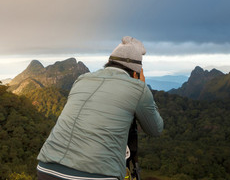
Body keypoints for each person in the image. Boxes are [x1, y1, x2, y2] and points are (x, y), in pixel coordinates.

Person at [37, 36, 164, 180]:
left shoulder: (82, 79)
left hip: (46, 168)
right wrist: (144, 87)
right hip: (96, 175)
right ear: (135, 73)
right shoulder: (138, 87)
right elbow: (155, 129)